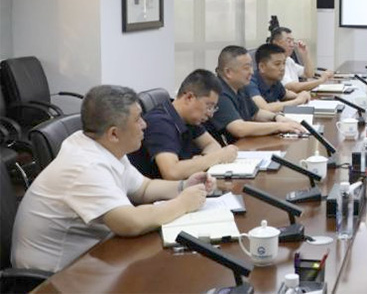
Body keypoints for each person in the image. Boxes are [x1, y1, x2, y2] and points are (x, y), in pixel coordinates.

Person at [12, 85, 215, 272]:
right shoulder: (85, 167)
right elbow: (130, 222)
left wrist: (183, 186)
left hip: (93, 257)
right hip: (55, 279)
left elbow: (143, 188)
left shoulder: (104, 145)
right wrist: (183, 203)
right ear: (114, 134)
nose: (144, 124)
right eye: (138, 119)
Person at [128, 69, 239, 179]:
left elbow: (212, 144)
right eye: (208, 106)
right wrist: (217, 157)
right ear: (189, 98)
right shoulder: (160, 123)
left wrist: (202, 159)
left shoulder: (188, 118)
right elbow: (172, 172)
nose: (210, 114)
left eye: (213, 108)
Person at [205, 45, 305, 144]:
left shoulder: (240, 87)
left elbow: (256, 113)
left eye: (251, 67)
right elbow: (239, 128)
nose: (252, 72)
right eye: (246, 68)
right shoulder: (218, 92)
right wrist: (279, 126)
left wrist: (277, 118)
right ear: (228, 72)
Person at [246, 43, 312, 113]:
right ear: (262, 67)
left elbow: (287, 95)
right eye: (277, 64)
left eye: (284, 63)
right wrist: (298, 101)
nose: (282, 68)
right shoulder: (249, 82)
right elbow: (264, 108)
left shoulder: (274, 81)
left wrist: (302, 95)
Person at [269, 27, 335, 93]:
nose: (292, 45)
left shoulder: (289, 60)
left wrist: (305, 54)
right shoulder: (273, 63)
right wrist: (321, 81)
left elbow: (309, 74)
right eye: (288, 41)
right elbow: (293, 87)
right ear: (276, 43)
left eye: (293, 41)